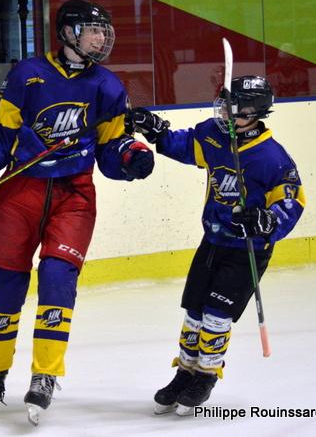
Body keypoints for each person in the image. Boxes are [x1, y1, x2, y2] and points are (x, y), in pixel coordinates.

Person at [0, 0, 154, 425]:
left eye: (103, 30)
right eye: (92, 30)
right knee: (6, 284)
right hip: (20, 190)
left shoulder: (108, 86)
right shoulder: (27, 74)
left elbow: (111, 148)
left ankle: (45, 374)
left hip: (73, 194)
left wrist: (130, 157)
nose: (101, 37)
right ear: (69, 33)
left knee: (58, 276)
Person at [126, 76, 305, 415]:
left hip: (247, 251)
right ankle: (185, 372)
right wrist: (157, 131)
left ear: (250, 113)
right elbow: (184, 145)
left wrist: (266, 220)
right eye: (223, 105)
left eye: (230, 108)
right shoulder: (214, 134)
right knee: (194, 312)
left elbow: (292, 201)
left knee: (216, 315)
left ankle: (206, 375)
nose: (222, 112)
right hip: (212, 241)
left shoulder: (272, 156)